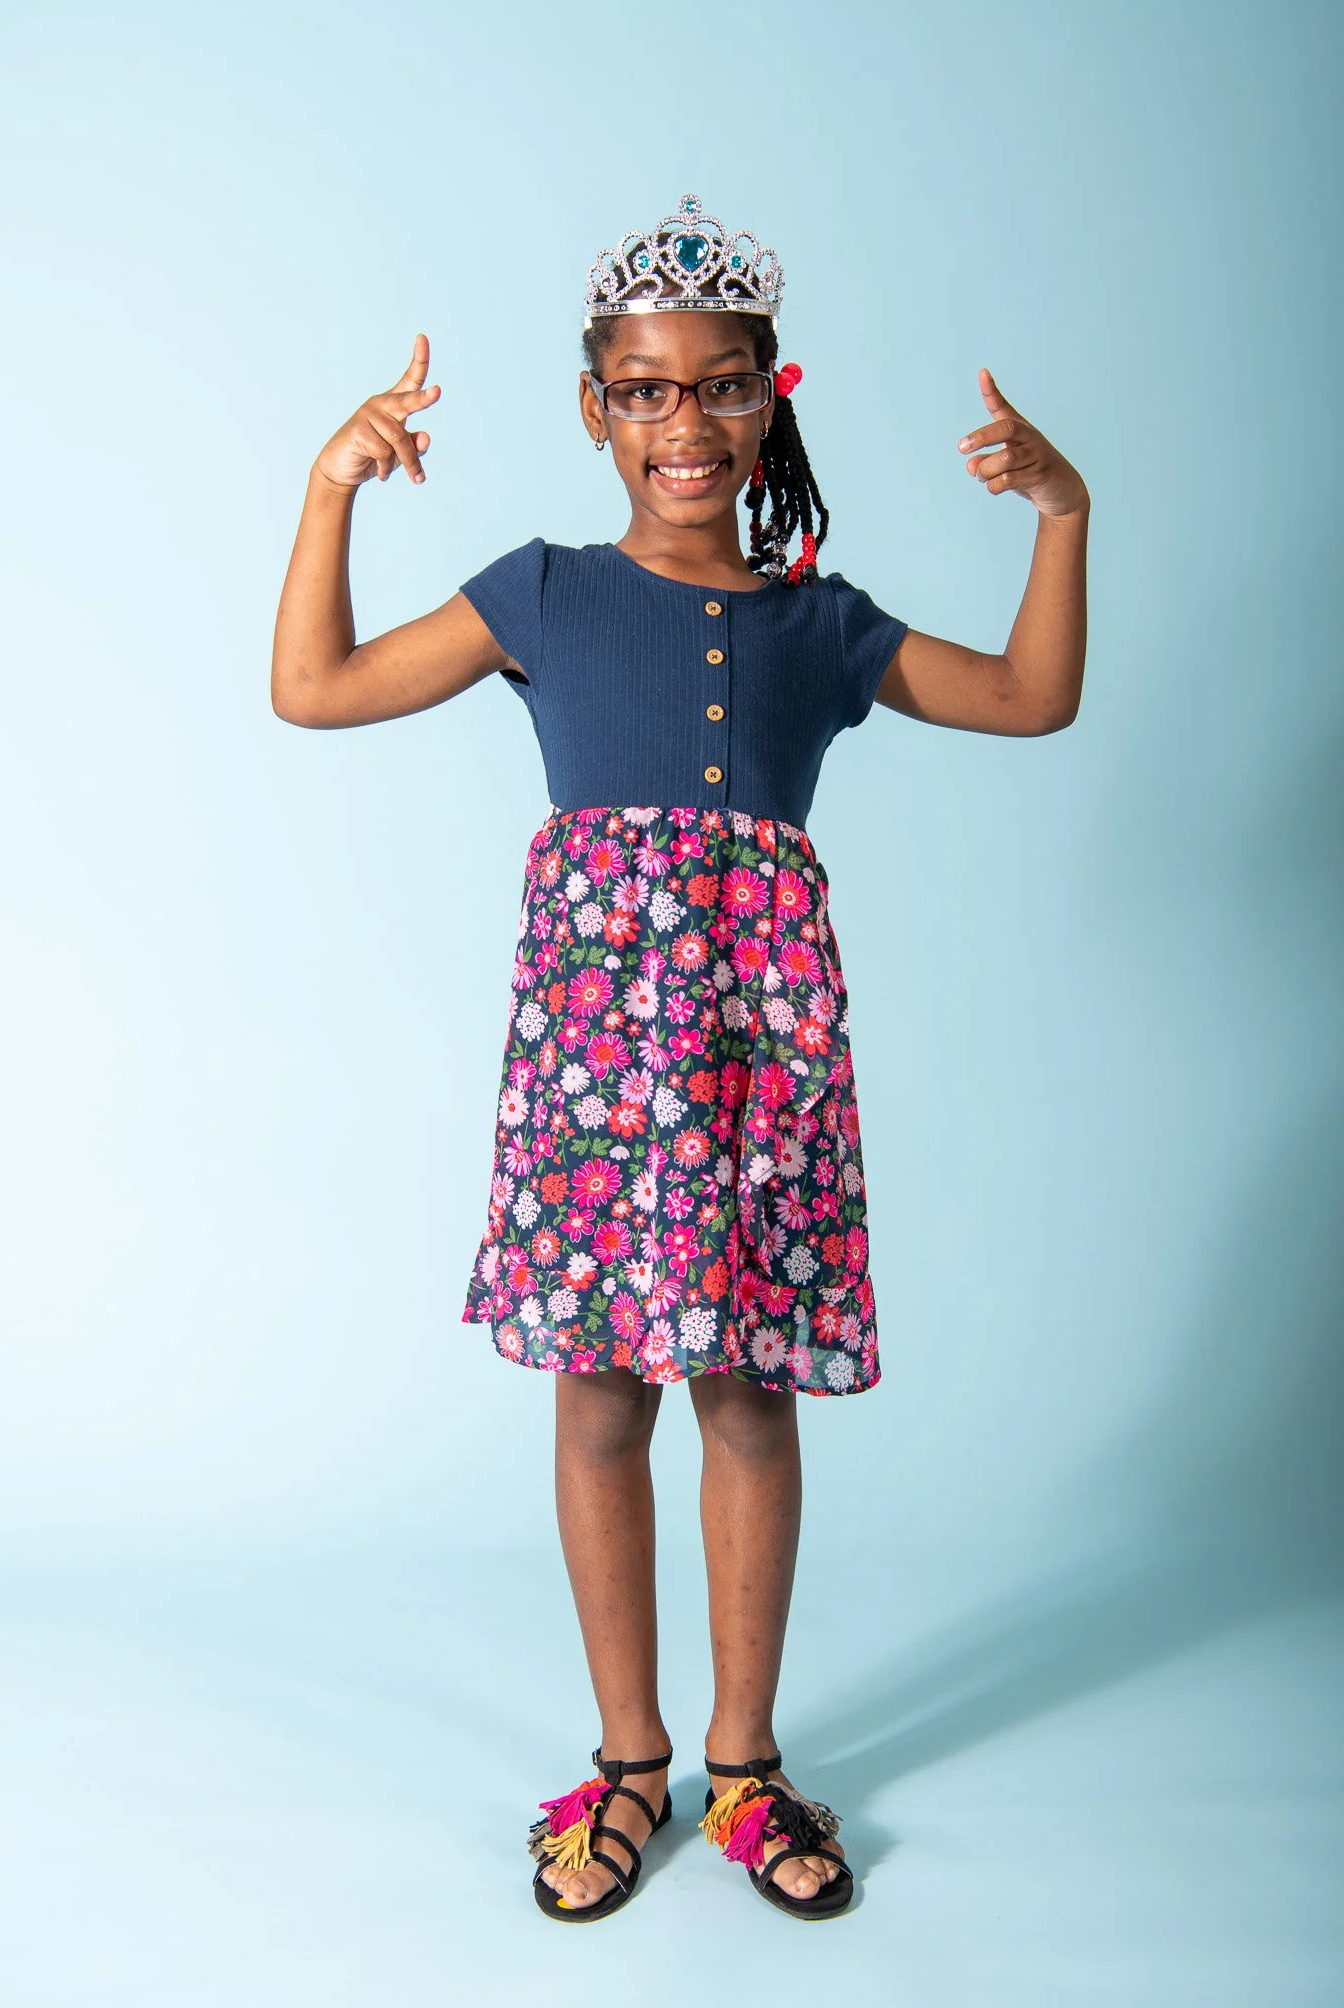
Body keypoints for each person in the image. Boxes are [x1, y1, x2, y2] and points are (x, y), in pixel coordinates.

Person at [270, 193, 1091, 1924]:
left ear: (768, 398)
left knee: (747, 1391)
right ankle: (627, 1763)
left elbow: (1030, 696)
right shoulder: (543, 597)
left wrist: (1062, 517)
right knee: (596, 1398)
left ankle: (746, 1762)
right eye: (645, 392)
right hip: (593, 1054)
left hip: (758, 1053)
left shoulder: (820, 625)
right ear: (596, 409)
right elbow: (318, 688)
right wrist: (334, 478)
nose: (685, 424)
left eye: (721, 389)